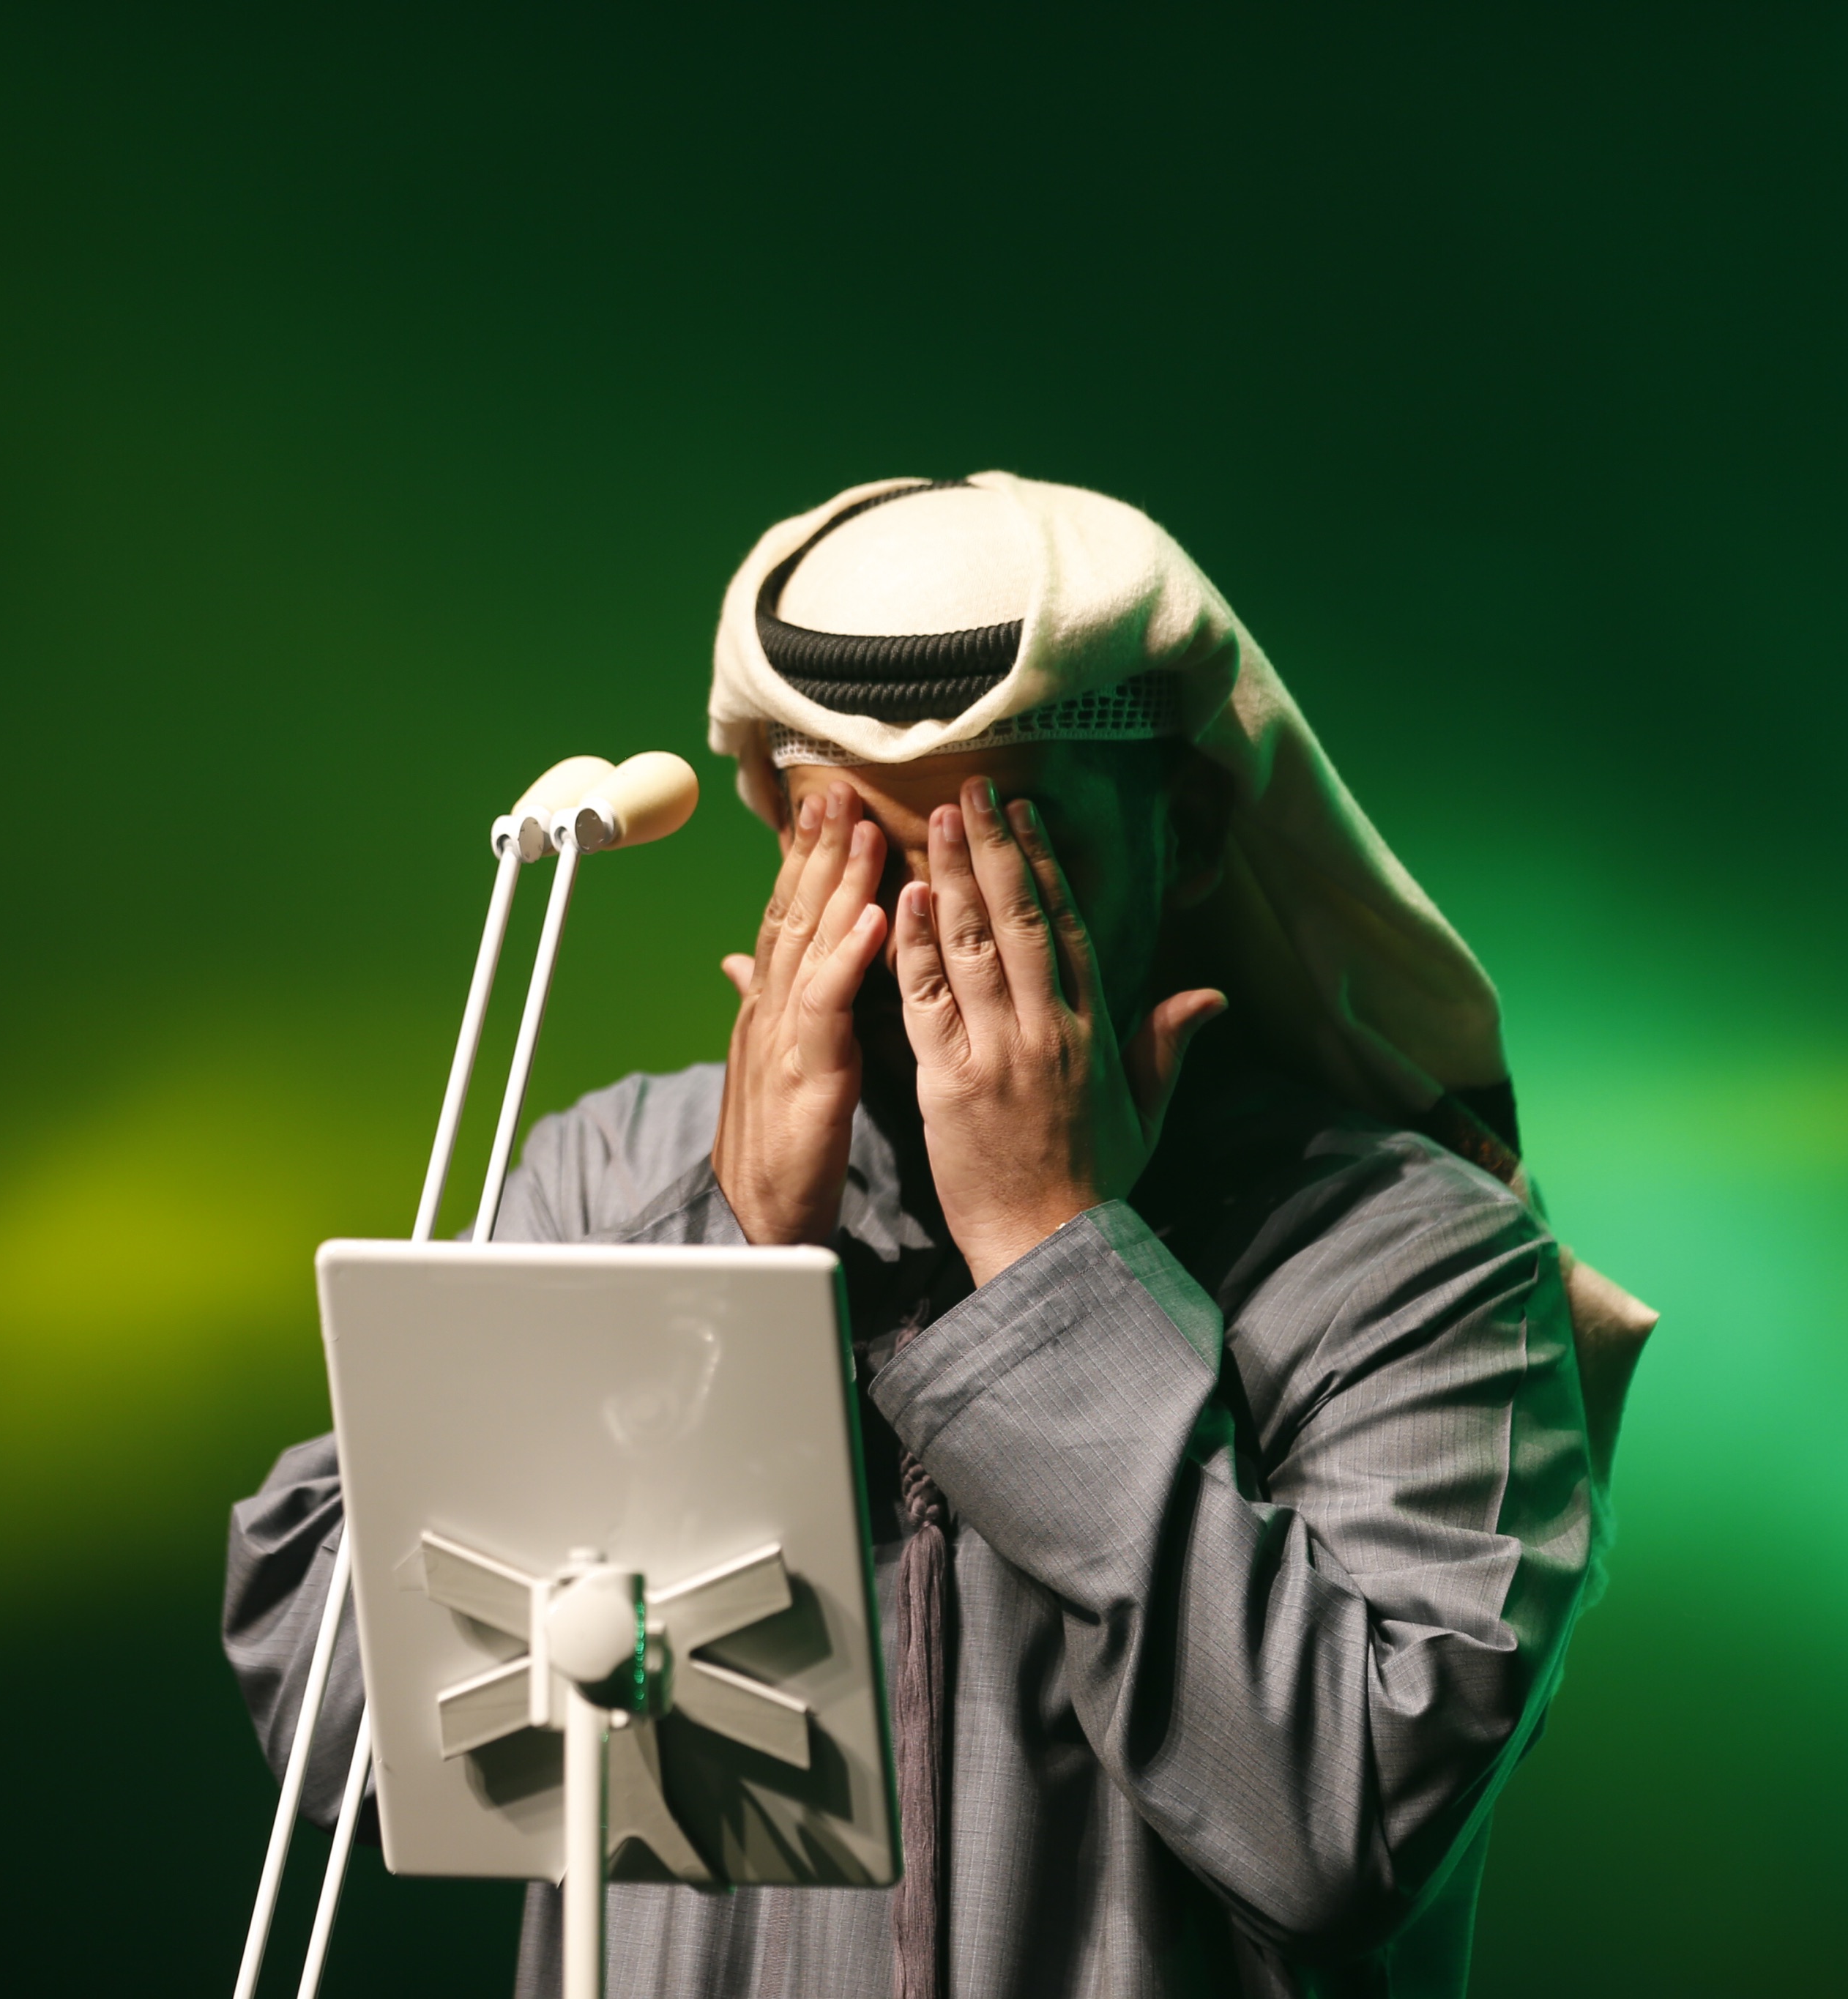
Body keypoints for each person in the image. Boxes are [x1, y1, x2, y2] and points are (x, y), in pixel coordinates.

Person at [226, 474, 1654, 1998]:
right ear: (780, 829)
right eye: (865, 861)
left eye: (1000, 864)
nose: (929, 950)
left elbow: (1338, 1836)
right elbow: (344, 1731)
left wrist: (1053, 1254)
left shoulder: (1413, 1261)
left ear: (1181, 834)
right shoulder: (608, 1178)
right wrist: (723, 1258)